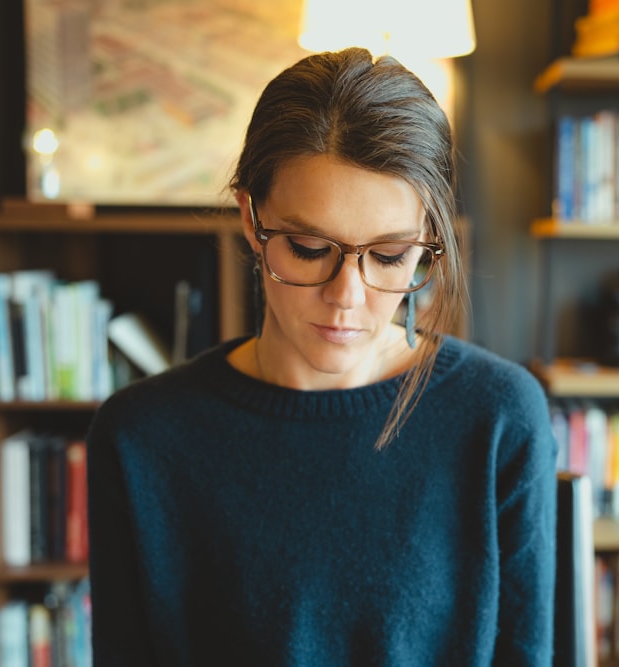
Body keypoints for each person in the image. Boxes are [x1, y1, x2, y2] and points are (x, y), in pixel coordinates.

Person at [86, 47, 558, 666]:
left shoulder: (498, 417)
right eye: (308, 247)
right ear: (251, 220)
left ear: (429, 244)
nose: (347, 297)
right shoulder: (141, 439)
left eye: (390, 256)